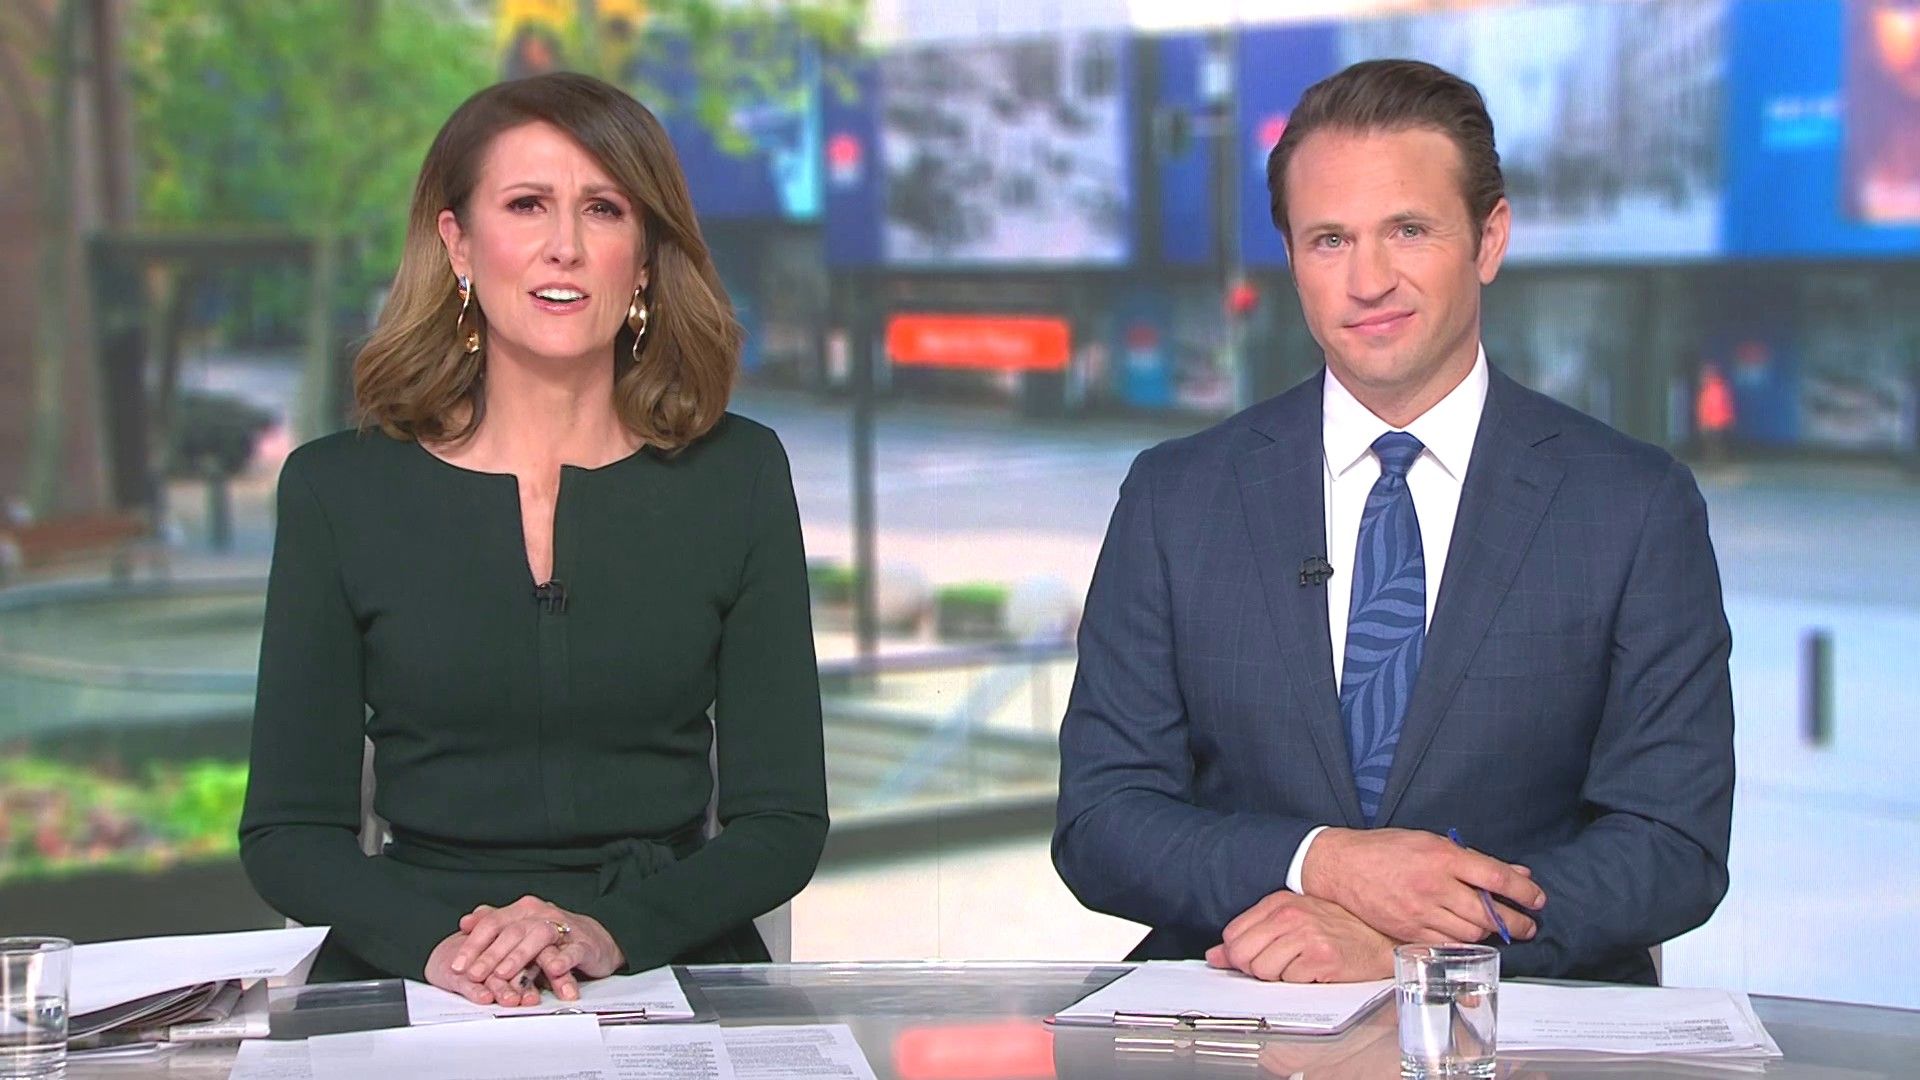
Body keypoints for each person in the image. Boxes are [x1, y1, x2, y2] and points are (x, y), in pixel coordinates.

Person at [1053, 59, 1733, 985]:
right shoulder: (1177, 497)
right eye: (1329, 240)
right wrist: (1319, 864)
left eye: (1408, 231)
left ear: (1489, 240)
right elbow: (1102, 820)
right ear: (1291, 258)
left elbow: (1671, 842)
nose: (1368, 280)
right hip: (1248, 1008)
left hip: (1521, 1025)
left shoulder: (1633, 504)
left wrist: (1427, 949)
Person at [240, 72, 828, 1006]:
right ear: (458, 243)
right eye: (527, 206)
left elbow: (784, 823)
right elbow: (288, 833)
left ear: (644, 257)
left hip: (663, 951)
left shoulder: (740, 475)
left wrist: (603, 931)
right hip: (423, 962)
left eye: (603, 209)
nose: (566, 247)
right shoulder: (335, 490)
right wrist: (443, 948)